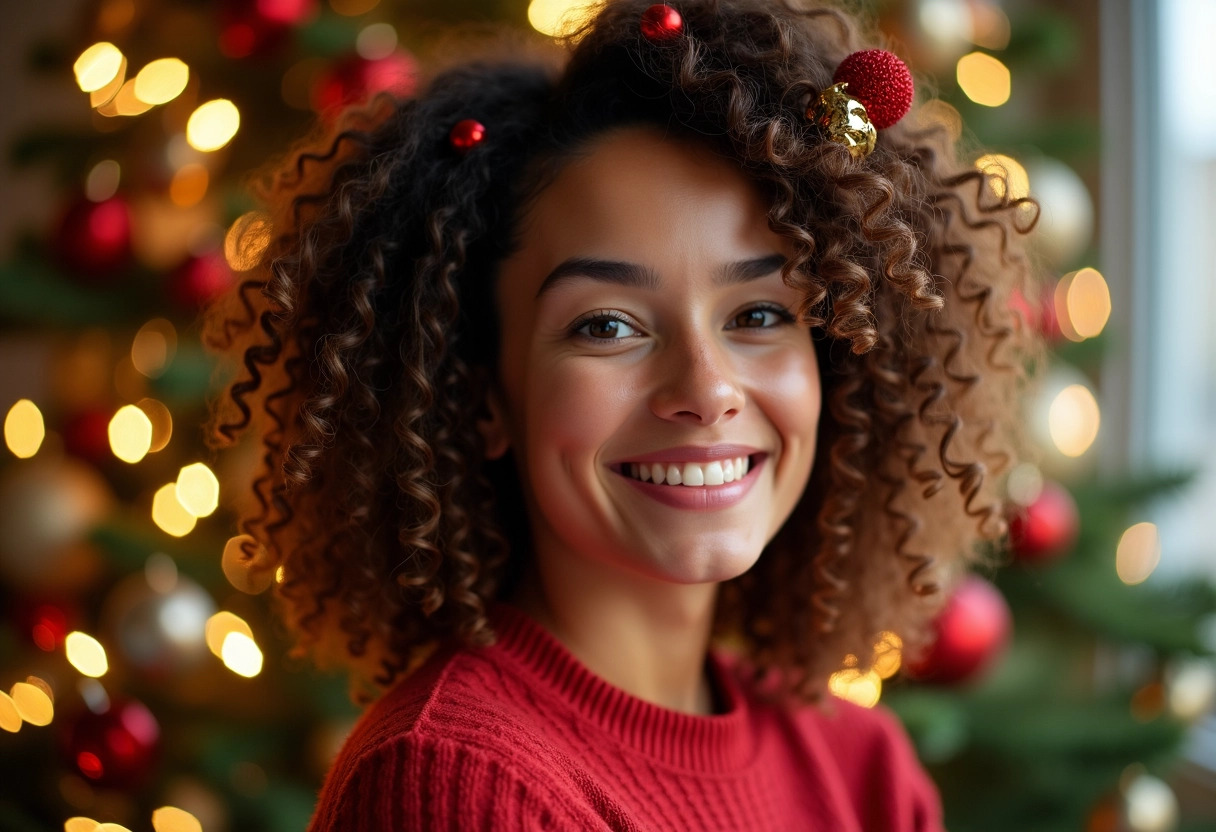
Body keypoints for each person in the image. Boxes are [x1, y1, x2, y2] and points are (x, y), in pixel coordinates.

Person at [203, 0, 1039, 828]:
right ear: (485, 396)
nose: (707, 390)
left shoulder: (863, 769)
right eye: (607, 325)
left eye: (758, 315)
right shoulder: (454, 784)